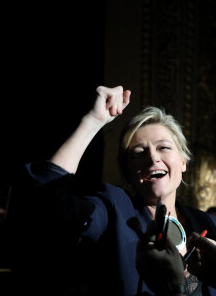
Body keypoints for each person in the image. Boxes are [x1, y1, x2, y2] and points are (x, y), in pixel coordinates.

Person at [23, 85, 216, 295]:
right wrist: (92, 122)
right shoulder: (114, 208)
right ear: (128, 172)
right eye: (139, 153)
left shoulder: (208, 224)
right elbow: (47, 199)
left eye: (164, 147)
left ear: (183, 162)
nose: (152, 158)